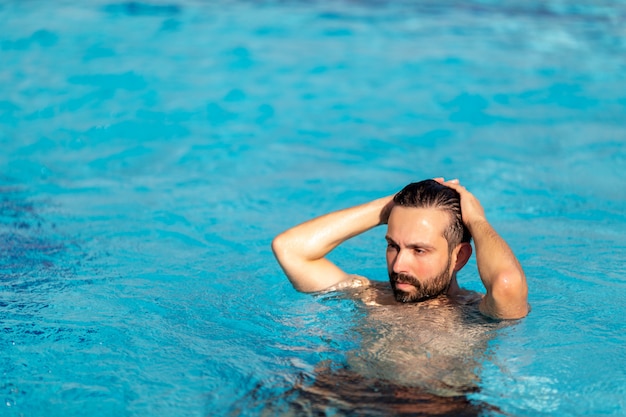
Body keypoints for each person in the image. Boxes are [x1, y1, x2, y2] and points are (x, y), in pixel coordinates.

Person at [272, 178, 528, 320]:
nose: (398, 266)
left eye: (419, 250)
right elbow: (290, 249)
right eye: (393, 246)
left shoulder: (474, 315)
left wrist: (477, 221)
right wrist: (388, 207)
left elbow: (506, 283)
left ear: (458, 257)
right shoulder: (370, 296)